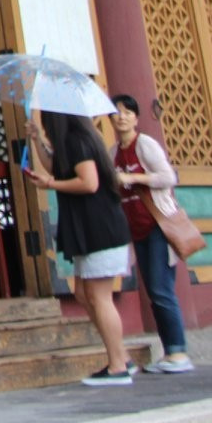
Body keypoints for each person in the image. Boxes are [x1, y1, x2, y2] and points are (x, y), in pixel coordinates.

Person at [27, 109, 132, 385]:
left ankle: (118, 365)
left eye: (46, 122)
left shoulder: (77, 140)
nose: (46, 126)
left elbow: (89, 182)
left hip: (99, 230)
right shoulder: (75, 142)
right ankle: (120, 355)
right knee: (85, 294)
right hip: (90, 230)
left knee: (99, 297)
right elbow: (55, 167)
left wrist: (50, 185)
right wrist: (37, 140)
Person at [110, 94, 193, 373]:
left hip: (158, 224)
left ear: (136, 117)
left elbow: (168, 177)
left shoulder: (144, 145)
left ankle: (178, 353)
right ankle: (171, 352)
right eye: (116, 112)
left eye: (127, 112)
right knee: (153, 290)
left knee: (161, 288)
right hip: (137, 228)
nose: (121, 117)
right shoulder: (113, 153)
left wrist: (134, 178)